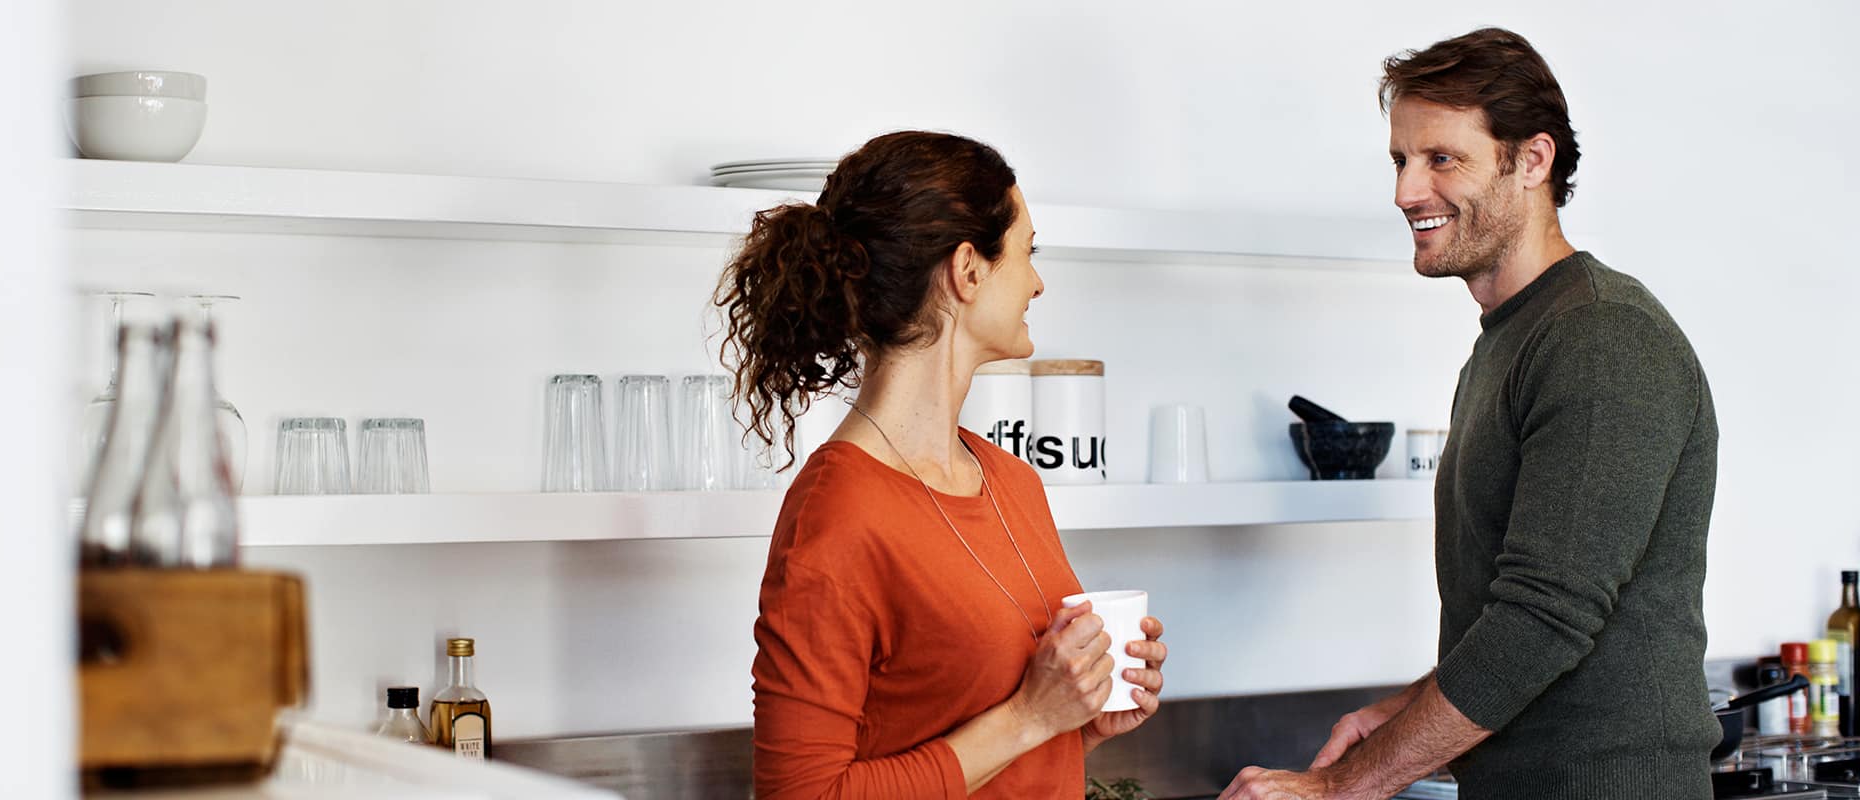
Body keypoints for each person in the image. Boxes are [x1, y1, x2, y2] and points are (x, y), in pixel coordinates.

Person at [1222, 27, 1719, 800]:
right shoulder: (1511, 341)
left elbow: (1543, 620)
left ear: (1533, 161)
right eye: (1400, 160)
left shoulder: (1600, 336)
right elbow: (1508, 616)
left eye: (1442, 159)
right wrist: (1399, 715)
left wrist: (1340, 786)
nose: (1405, 192)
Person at [720, 130, 1170, 799]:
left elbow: (985, 734)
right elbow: (801, 795)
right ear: (968, 269)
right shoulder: (838, 513)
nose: (1038, 282)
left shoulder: (1011, 481)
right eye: (1027, 251)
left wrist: (1080, 717)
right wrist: (1030, 717)